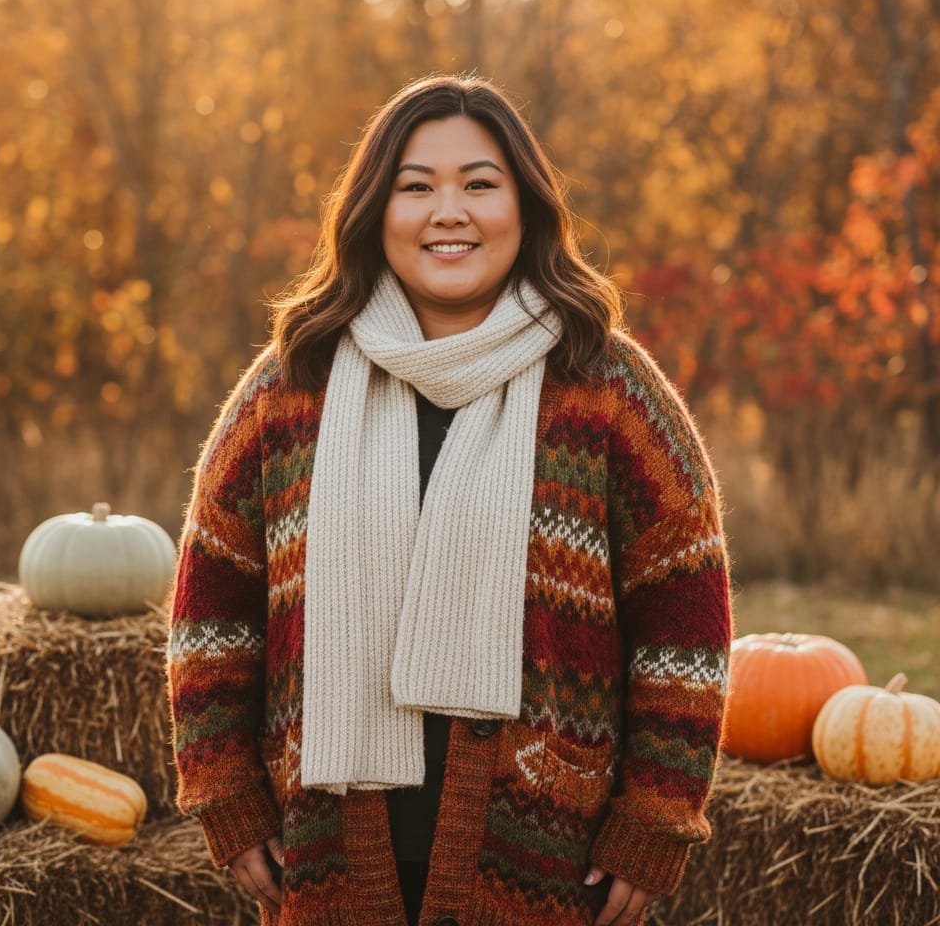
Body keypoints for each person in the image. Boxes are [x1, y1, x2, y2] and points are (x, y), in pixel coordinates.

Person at [166, 74, 732, 926]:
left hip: (548, 857)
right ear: (374, 210)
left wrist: (654, 820)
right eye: (416, 186)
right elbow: (212, 608)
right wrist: (224, 793)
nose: (449, 212)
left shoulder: (607, 385)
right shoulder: (291, 387)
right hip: (328, 852)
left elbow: (685, 624)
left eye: (479, 184)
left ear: (526, 207)